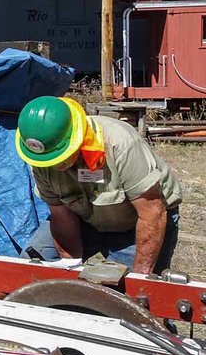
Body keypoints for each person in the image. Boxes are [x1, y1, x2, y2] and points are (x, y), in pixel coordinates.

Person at [16, 95, 181, 275]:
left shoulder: (120, 144)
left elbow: (152, 213)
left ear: (76, 138)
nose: (56, 165)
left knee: (118, 290)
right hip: (83, 219)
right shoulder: (41, 156)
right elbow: (61, 215)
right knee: (29, 269)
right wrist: (70, 268)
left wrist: (138, 280)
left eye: (61, 158)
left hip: (138, 224)